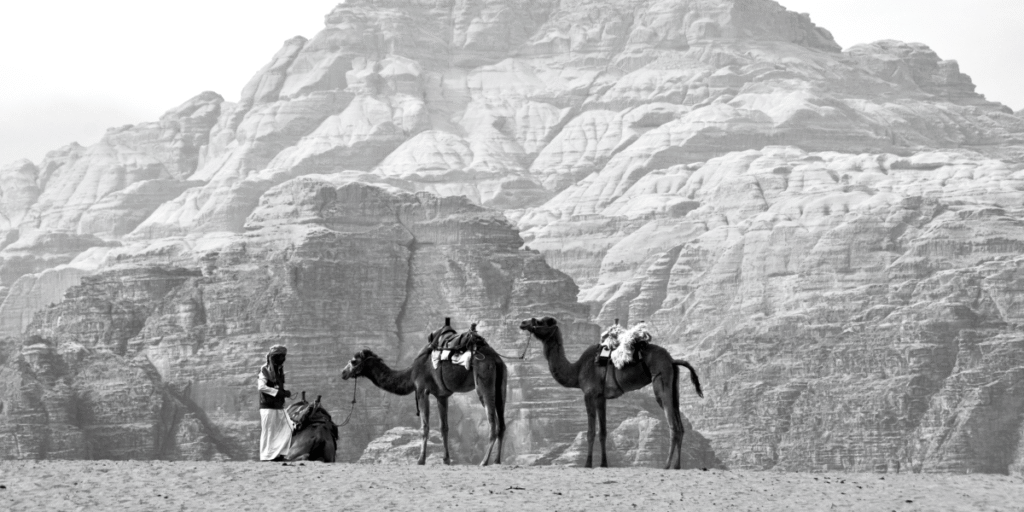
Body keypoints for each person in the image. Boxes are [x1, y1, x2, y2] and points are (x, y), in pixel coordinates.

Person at [258, 344, 293, 461]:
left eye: (283, 356)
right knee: (269, 431)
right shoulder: (265, 369)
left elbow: (278, 386)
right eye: (280, 356)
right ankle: (266, 456)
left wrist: (285, 393)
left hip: (278, 406)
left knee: (287, 427)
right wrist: (277, 393)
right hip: (268, 406)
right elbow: (261, 387)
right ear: (273, 357)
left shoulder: (279, 370)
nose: (282, 359)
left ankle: (278, 454)